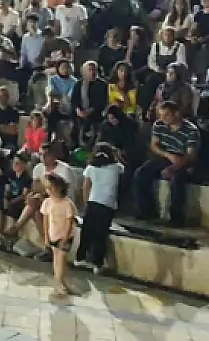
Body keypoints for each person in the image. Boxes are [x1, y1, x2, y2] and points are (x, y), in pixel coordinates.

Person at [134, 100, 199, 226]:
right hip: (165, 156)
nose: (163, 119)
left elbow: (191, 155)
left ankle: (177, 217)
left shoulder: (191, 130)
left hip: (183, 159)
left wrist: (174, 167)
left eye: (167, 115)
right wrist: (168, 155)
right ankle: (146, 210)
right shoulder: (159, 125)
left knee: (177, 179)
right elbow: (154, 146)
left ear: (177, 114)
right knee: (141, 173)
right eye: (161, 115)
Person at [75, 143, 123, 274]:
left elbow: (85, 187)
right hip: (107, 204)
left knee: (87, 231)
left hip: (93, 202)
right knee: (100, 234)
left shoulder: (90, 168)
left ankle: (80, 258)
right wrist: (116, 155)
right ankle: (97, 263)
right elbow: (122, 166)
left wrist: (86, 203)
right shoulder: (116, 168)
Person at [42, 173, 78, 297]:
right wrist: (46, 236)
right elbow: (45, 220)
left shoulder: (67, 203)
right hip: (53, 235)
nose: (50, 190)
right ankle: (60, 281)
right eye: (47, 188)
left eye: (52, 187)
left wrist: (66, 237)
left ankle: (59, 282)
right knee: (56, 259)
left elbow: (70, 221)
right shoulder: (47, 203)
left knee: (61, 258)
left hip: (65, 236)